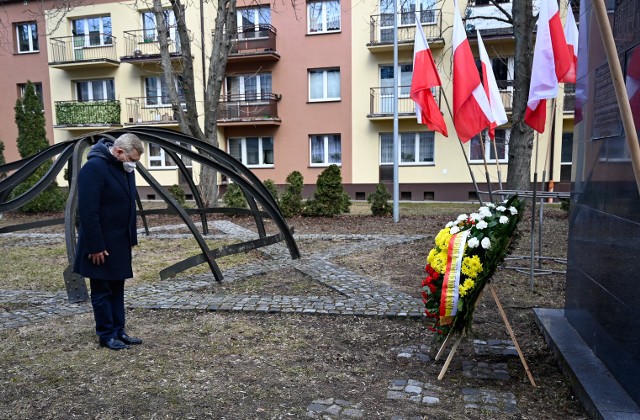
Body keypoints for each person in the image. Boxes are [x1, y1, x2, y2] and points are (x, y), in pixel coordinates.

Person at [73, 133, 145, 350]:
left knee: (117, 287)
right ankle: (106, 335)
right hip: (100, 244)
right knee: (102, 289)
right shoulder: (94, 168)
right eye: (132, 159)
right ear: (119, 151)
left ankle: (119, 330)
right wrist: (95, 246)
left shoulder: (124, 169)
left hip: (119, 241)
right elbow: (87, 211)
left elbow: (129, 206)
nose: (133, 164)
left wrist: (130, 238)